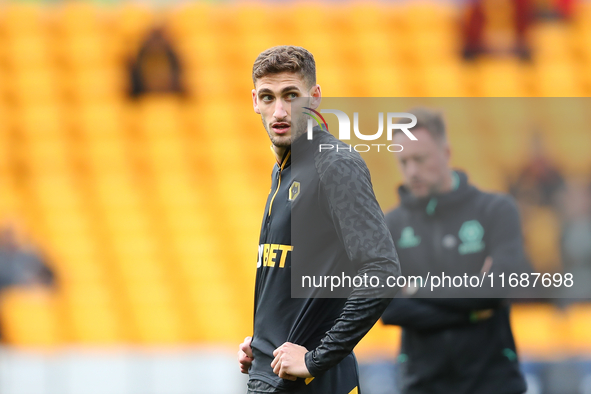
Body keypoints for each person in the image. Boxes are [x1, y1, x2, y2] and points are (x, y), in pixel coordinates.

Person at [238, 46, 400, 394]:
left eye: (291, 96)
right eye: (268, 97)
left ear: (314, 98)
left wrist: (314, 359)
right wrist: (264, 342)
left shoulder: (335, 164)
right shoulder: (284, 170)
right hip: (270, 379)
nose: (279, 111)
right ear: (255, 101)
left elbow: (382, 271)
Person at [381, 108, 528, 394]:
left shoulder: (495, 210)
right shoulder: (392, 224)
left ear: (446, 152)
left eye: (420, 159)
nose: (412, 171)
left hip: (494, 382)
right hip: (422, 384)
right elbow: (389, 309)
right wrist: (472, 307)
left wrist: (415, 289)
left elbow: (496, 290)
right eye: (403, 162)